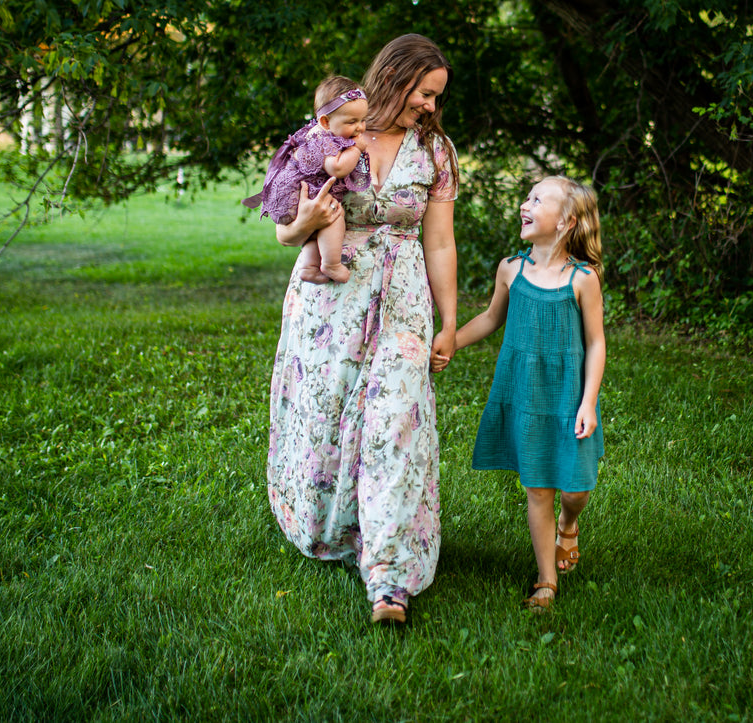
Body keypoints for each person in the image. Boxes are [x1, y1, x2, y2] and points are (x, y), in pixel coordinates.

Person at [262, 34, 459, 625]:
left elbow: (440, 242)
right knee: (327, 418)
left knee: (397, 420)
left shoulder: (435, 150)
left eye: (436, 96)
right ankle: (337, 533)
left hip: (403, 302)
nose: (430, 105)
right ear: (395, 77)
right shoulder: (328, 134)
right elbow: (284, 229)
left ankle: (390, 576)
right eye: (424, 92)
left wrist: (450, 321)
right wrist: (305, 222)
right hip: (329, 298)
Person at [454, 176, 606, 610]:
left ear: (566, 221)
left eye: (537, 200)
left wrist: (588, 403)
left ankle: (569, 524)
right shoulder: (511, 269)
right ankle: (545, 581)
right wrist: (449, 343)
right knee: (537, 487)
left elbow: (596, 342)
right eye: (527, 197)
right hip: (527, 396)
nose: (525, 204)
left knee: (575, 489)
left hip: (568, 397)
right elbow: (490, 318)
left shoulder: (583, 279)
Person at [242, 76, 371, 283]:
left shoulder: (318, 132)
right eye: (352, 122)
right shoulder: (322, 138)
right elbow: (337, 168)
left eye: (363, 120)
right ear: (325, 122)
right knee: (334, 213)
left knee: (318, 229)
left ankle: (309, 267)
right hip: (297, 195)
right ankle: (331, 264)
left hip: (293, 194)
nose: (360, 128)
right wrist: (356, 149)